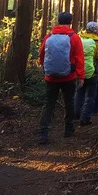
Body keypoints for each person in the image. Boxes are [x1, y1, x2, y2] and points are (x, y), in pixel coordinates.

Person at [38, 12, 85, 144]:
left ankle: (43, 132)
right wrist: (81, 76)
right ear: (70, 22)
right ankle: (68, 129)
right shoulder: (74, 37)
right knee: (69, 102)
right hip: (68, 77)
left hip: (50, 77)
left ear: (58, 21)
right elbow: (79, 58)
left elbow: (42, 54)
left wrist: (45, 68)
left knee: (48, 103)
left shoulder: (49, 36)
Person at [75, 21, 98, 126]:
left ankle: (76, 114)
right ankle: (85, 118)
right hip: (92, 73)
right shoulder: (97, 41)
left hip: (79, 72)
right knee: (90, 97)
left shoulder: (79, 39)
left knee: (79, 93)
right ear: (96, 30)